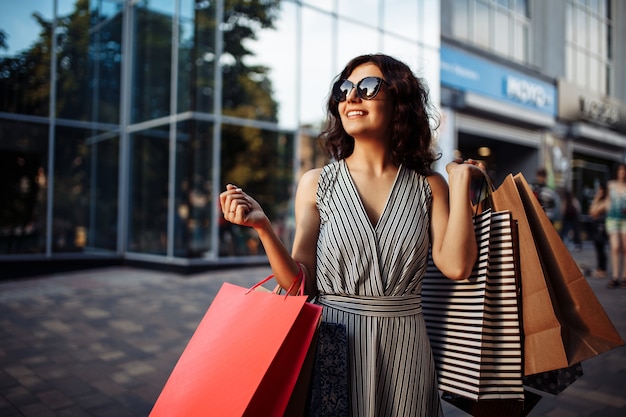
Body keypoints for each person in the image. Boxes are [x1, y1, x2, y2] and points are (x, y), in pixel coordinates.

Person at [220, 54, 480, 416]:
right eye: (344, 89)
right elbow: (300, 286)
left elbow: (456, 267)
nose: (351, 97)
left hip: (405, 348)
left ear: (399, 103)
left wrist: (461, 184)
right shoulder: (316, 184)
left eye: (368, 88)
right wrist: (263, 227)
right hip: (333, 343)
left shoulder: (430, 185)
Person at [605, 163, 626, 288]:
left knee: (625, 248)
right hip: (612, 218)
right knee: (615, 247)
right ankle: (615, 276)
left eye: (624, 171)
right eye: (620, 170)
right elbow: (608, 200)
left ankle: (624, 276)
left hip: (624, 219)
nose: (622, 173)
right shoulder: (610, 185)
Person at [588, 184, 608, 278]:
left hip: (602, 225)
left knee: (601, 248)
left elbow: (596, 211)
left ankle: (603, 269)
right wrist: (596, 198)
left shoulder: (606, 201)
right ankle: (599, 268)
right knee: (597, 247)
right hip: (596, 226)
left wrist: (595, 210)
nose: (599, 192)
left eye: (600, 191)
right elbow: (591, 211)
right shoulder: (598, 200)